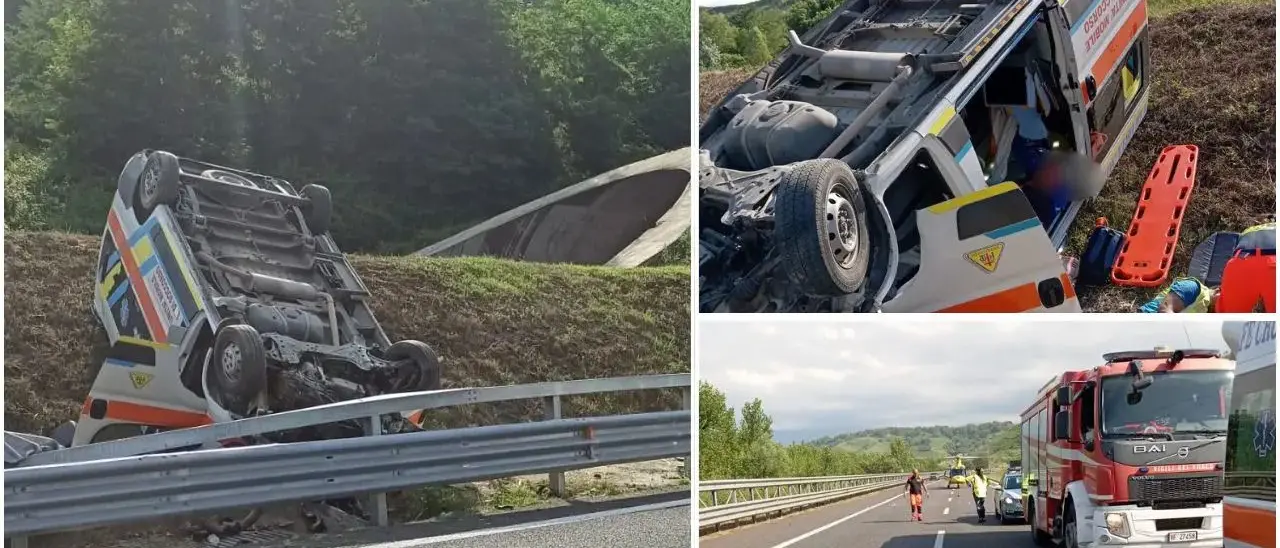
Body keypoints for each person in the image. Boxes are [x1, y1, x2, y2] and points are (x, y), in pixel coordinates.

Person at [1138, 277, 1217, 313]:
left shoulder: (1206, 310)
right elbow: (1165, 308)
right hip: (1147, 319)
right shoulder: (1193, 286)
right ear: (1218, 291)